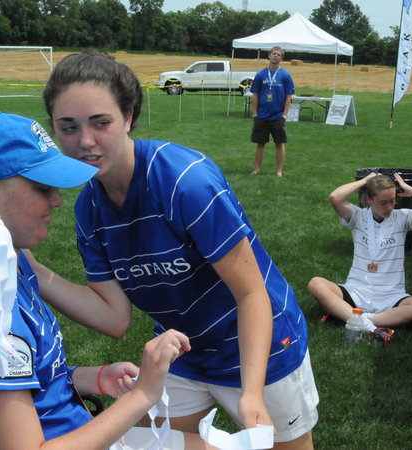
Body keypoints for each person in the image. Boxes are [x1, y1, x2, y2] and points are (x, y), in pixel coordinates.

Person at [30, 49, 318, 449]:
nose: (85, 141)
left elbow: (252, 293)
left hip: (260, 348)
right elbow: (114, 318)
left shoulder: (184, 182)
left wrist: (251, 392)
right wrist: (32, 270)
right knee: (157, 444)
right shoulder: (89, 208)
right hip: (185, 350)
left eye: (101, 122)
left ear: (128, 116)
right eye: (68, 127)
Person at [0, 111, 214, 449]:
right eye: (43, 188)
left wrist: (94, 377)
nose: (57, 200)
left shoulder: (8, 263)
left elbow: (34, 379)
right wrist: (142, 395)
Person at [308, 172, 412, 344]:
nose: (389, 207)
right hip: (357, 290)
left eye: (392, 201)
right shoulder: (357, 216)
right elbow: (335, 197)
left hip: (391, 295)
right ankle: (370, 323)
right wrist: (365, 181)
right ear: (369, 199)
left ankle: (358, 319)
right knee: (316, 284)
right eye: (383, 202)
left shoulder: (403, 217)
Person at [249, 46, 294, 177]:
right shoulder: (260, 75)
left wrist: (285, 115)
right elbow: (255, 94)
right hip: (262, 115)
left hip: (278, 116)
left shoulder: (285, 75)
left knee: (279, 144)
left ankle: (279, 171)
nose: (276, 56)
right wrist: (255, 113)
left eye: (278, 54)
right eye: (274, 53)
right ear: (269, 55)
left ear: (281, 58)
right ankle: (257, 169)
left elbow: (288, 96)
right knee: (260, 144)